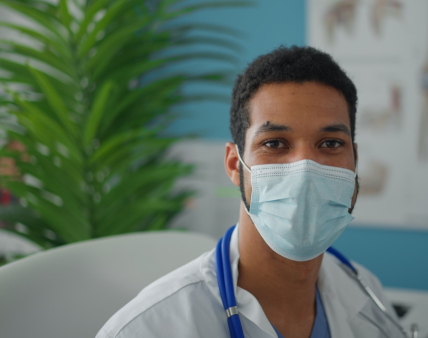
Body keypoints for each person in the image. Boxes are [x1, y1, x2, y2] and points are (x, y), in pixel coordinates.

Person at [96, 46, 406, 338]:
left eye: (330, 144)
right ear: (234, 164)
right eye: (274, 143)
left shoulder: (365, 292)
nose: (305, 169)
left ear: (354, 161)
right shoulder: (149, 328)